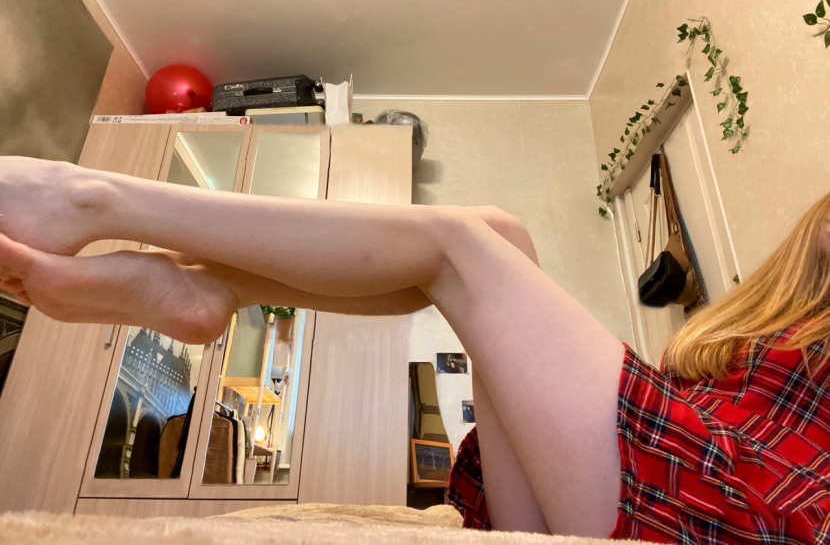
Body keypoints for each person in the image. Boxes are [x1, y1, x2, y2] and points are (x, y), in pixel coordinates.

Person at [0, 155, 828, 542]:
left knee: (464, 247)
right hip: (688, 488)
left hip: (749, 520)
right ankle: (214, 291)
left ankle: (97, 200)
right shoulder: (782, 322)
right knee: (498, 232)